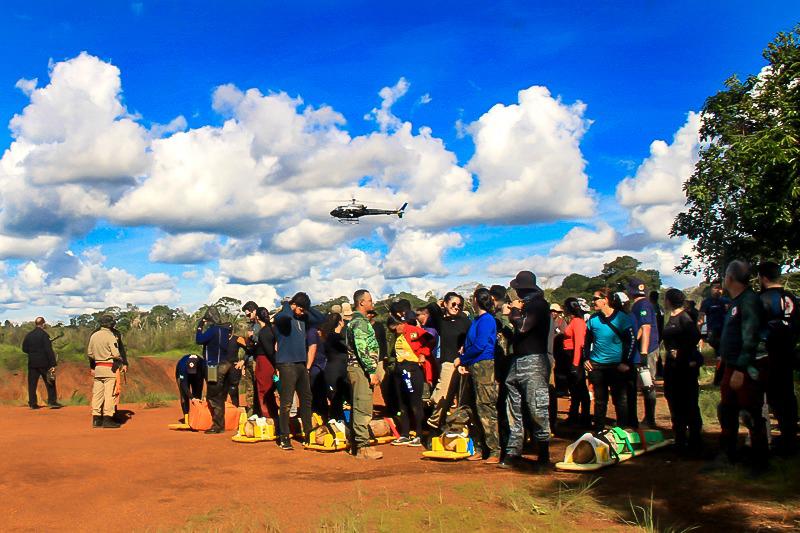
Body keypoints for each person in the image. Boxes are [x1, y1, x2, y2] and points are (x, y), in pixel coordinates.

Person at [715, 260, 768, 474]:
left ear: (729, 278)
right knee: (726, 410)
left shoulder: (749, 301)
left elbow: (751, 338)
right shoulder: (737, 301)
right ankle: (728, 456)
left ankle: (759, 462)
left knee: (750, 413)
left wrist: (740, 369)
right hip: (732, 365)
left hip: (745, 367)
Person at [499, 272, 551, 469]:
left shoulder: (539, 305)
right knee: (513, 408)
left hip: (534, 361)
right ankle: (513, 452)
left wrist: (514, 310)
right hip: (518, 359)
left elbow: (522, 327)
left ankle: (543, 455)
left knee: (537, 408)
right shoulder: (527, 305)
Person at [273, 292, 324, 450]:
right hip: (286, 363)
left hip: (301, 364)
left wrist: (306, 307)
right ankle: (284, 437)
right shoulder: (282, 317)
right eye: (301, 309)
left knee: (307, 399)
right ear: (293, 305)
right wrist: (288, 305)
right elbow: (285, 316)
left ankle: (308, 433)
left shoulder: (302, 319)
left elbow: (321, 319)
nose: (303, 313)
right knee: (287, 402)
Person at [758, 261, 798, 455]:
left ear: (763, 277)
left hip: (768, 355)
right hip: (789, 352)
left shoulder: (761, 299)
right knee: (788, 395)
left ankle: (769, 440)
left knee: (769, 398)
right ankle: (790, 437)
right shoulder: (792, 298)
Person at [583, 288, 634, 432]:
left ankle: (622, 429)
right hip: (597, 366)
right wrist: (586, 359)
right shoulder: (593, 320)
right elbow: (586, 342)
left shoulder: (622, 318)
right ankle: (599, 430)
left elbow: (631, 341)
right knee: (600, 400)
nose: (593, 301)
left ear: (605, 300)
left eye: (596, 299)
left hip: (616, 366)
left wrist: (625, 362)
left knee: (620, 400)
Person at [459, 287, 500, 464]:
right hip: (474, 365)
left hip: (484, 365)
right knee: (474, 408)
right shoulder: (477, 320)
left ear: (476, 300)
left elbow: (480, 345)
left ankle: (494, 450)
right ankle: (479, 448)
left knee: (485, 406)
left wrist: (461, 359)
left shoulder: (487, 320)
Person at [661, 288, 703, 457]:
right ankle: (680, 439)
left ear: (669, 301)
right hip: (672, 367)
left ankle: (694, 441)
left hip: (684, 368)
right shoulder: (672, 317)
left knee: (689, 403)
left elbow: (695, 337)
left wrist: (681, 352)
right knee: (674, 401)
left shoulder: (684, 318)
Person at [424, 292, 471, 430]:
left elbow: (471, 337)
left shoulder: (464, 321)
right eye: (453, 304)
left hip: (463, 362)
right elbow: (431, 307)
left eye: (460, 305)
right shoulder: (441, 322)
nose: (456, 307)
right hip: (448, 362)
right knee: (442, 396)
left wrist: (464, 348)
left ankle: (458, 426)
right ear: (445, 303)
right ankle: (434, 424)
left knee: (462, 397)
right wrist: (440, 303)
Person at [346, 289, 383, 460]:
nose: (372, 303)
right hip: (360, 368)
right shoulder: (360, 323)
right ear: (361, 302)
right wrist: (371, 370)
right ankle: (363, 447)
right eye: (369, 300)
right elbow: (363, 349)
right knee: (363, 406)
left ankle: (356, 444)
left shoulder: (355, 321)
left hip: (356, 368)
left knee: (358, 405)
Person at [387, 315, 433, 446]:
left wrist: (423, 354)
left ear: (401, 323)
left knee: (414, 403)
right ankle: (405, 434)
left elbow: (430, 340)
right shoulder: (396, 336)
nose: (394, 331)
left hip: (412, 369)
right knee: (402, 404)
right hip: (399, 370)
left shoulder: (413, 330)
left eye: (395, 328)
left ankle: (419, 434)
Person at [627, 278, 660, 428]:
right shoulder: (639, 304)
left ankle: (650, 419)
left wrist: (644, 352)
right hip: (642, 349)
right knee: (644, 383)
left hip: (648, 349)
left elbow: (645, 328)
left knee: (647, 383)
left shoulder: (643, 305)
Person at [195, 306, 233, 434]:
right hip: (225, 364)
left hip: (213, 366)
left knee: (213, 396)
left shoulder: (212, 330)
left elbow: (199, 340)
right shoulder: (225, 330)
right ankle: (220, 423)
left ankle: (217, 425)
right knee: (220, 395)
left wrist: (200, 325)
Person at [87, 314, 124, 428]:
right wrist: (120, 360)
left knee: (97, 394)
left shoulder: (94, 335)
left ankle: (96, 419)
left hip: (98, 368)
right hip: (109, 368)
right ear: (111, 324)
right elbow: (116, 353)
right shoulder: (110, 336)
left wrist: (98, 358)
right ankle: (107, 418)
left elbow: (90, 353)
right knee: (109, 394)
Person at [206, 330, 246, 434]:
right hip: (220, 368)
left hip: (233, 367)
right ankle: (222, 419)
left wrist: (243, 361)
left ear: (231, 332)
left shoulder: (237, 339)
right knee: (221, 392)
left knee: (233, 390)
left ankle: (236, 416)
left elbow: (249, 349)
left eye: (228, 333)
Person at [21, 317, 62, 410]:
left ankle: (33, 403)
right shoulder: (44, 335)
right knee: (50, 382)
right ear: (43, 324)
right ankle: (52, 402)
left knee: (32, 384)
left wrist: (33, 352)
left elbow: (24, 349)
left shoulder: (29, 335)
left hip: (32, 363)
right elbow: (49, 350)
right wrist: (53, 364)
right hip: (44, 363)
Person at [563, 298, 590, 427]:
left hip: (574, 356)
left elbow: (579, 343)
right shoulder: (574, 321)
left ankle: (584, 417)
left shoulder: (577, 322)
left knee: (580, 388)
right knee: (575, 389)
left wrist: (575, 364)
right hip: (571, 356)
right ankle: (574, 416)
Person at [698, 283, 730, 386]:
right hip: (713, 332)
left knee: (722, 354)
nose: (718, 290)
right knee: (720, 354)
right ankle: (719, 379)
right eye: (715, 288)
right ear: (711, 289)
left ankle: (719, 379)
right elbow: (701, 317)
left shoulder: (727, 301)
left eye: (720, 288)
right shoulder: (707, 302)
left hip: (726, 331)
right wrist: (698, 332)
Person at [320, 313, 349, 421]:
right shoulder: (338, 338)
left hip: (331, 370)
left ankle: (338, 422)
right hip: (338, 372)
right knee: (339, 400)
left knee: (337, 401)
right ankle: (339, 423)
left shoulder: (327, 337)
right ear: (340, 322)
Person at [253, 307, 279, 423]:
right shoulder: (272, 329)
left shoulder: (264, 332)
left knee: (263, 389)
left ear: (258, 317)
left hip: (265, 362)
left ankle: (267, 415)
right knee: (271, 387)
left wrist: (276, 364)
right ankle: (273, 413)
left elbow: (269, 351)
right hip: (270, 362)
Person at [240, 301, 260, 416]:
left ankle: (261, 412)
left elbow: (263, 341)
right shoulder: (251, 325)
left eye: (248, 314)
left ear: (254, 311)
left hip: (258, 361)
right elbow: (248, 347)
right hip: (249, 360)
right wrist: (244, 360)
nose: (248, 316)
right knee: (249, 389)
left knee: (259, 387)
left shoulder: (261, 324)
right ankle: (251, 413)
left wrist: (253, 336)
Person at [306, 322, 328, 419]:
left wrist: (307, 367)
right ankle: (322, 415)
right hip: (320, 365)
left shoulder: (311, 332)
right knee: (320, 393)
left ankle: (318, 415)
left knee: (315, 393)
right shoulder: (317, 332)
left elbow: (313, 348)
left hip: (316, 366)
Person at [175, 354, 206, 422]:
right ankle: (186, 418)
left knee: (198, 395)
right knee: (184, 395)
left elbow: (208, 381)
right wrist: (192, 398)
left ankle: (196, 417)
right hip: (184, 373)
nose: (192, 373)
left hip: (198, 375)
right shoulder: (182, 366)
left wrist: (207, 396)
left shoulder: (203, 365)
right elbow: (184, 385)